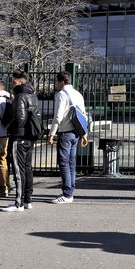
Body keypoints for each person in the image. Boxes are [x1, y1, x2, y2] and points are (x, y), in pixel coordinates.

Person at [47, 71, 88, 204]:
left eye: (57, 82)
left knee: (64, 163)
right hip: (76, 132)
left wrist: (51, 134)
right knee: (71, 163)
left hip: (65, 132)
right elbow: (83, 115)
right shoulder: (78, 94)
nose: (56, 85)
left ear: (62, 82)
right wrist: (84, 134)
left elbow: (58, 116)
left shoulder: (61, 95)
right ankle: (70, 190)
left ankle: (67, 193)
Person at [3, 71, 39, 212]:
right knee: (27, 168)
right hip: (30, 136)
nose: (12, 84)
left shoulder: (20, 96)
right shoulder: (33, 96)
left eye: (13, 82)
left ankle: (18, 202)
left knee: (18, 169)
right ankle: (27, 200)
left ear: (20, 81)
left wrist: (8, 126)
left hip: (19, 136)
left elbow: (19, 118)